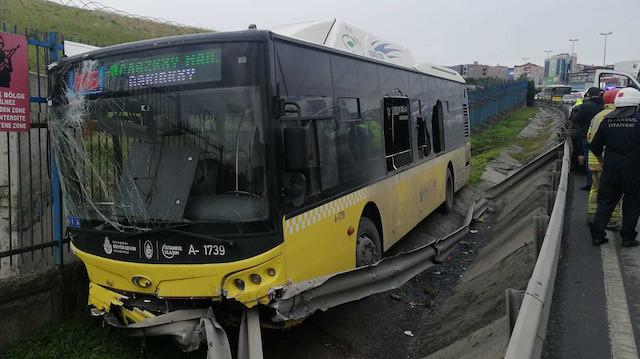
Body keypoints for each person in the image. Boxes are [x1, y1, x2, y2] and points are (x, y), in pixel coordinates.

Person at [589, 87, 640, 247]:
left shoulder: (607, 121)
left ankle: (597, 235)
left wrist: (602, 160)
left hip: (611, 168)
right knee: (632, 204)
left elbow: (595, 145)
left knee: (606, 202)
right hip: (634, 169)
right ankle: (628, 237)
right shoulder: (639, 120)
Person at [586, 89, 621, 226]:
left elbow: (590, 137)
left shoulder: (597, 116)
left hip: (594, 160)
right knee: (614, 191)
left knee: (595, 189)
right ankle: (612, 220)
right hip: (610, 161)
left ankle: (592, 216)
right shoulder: (618, 115)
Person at [571, 87, 604, 191]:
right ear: (599, 94)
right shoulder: (604, 106)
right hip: (603, 136)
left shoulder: (586, 106)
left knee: (589, 160)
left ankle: (590, 184)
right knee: (604, 160)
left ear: (588, 95)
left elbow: (576, 119)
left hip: (587, 135)